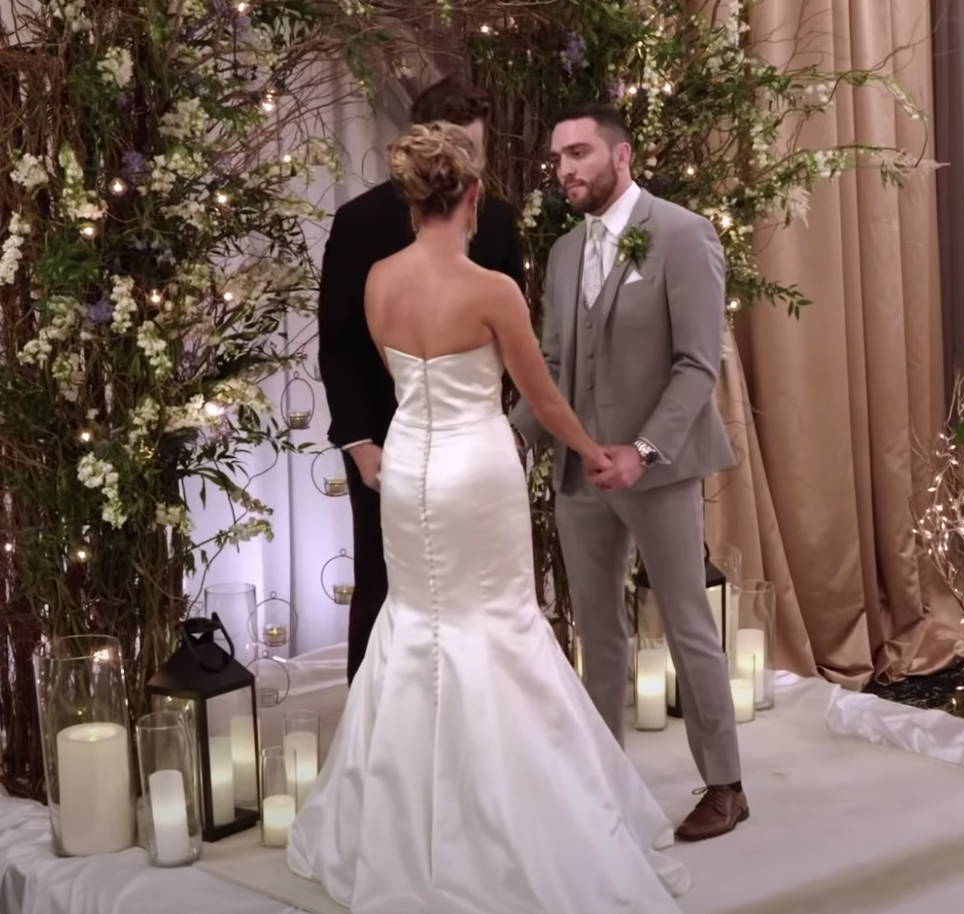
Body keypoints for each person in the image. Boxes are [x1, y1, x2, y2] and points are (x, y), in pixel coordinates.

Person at [286, 122, 691, 914]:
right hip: (475, 466)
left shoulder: (377, 283)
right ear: (470, 197)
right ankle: (515, 822)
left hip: (407, 466)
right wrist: (597, 451)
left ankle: (402, 826)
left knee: (417, 623)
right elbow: (540, 399)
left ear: (412, 201)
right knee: (497, 623)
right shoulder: (492, 291)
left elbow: (393, 375)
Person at [508, 104, 747, 842]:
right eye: (557, 160)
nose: (565, 170)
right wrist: (498, 439)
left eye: (578, 153)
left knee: (685, 623)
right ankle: (601, 777)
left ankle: (726, 785)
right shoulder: (561, 254)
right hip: (580, 472)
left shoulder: (683, 234)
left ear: (622, 156)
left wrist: (641, 452)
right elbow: (549, 366)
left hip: (658, 472)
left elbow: (696, 365)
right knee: (599, 634)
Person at [317, 77, 524, 686]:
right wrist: (360, 444)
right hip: (386, 445)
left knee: (484, 598)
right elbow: (340, 343)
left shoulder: (500, 221)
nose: (465, 166)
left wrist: (501, 432)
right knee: (384, 589)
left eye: (476, 152)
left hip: (475, 456)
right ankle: (377, 730)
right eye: (459, 146)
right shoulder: (357, 222)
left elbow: (511, 347)